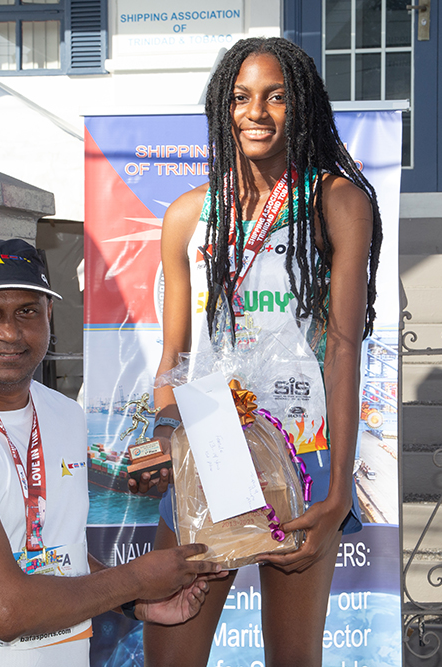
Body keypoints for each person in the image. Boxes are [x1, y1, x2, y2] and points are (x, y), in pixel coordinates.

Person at [130, 37, 383, 666]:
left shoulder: (337, 202)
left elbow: (343, 352)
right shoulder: (188, 215)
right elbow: (174, 356)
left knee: (293, 657)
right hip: (207, 449)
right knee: (170, 657)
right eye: (241, 97)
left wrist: (339, 494)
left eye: (276, 97)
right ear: (224, 107)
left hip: (301, 451)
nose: (256, 112)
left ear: (302, 106)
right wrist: (162, 438)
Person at [0, 237, 222, 667]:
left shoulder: (64, 413)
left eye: (27, 312)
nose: (10, 332)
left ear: (49, 316)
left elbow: (60, 555)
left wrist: (133, 602)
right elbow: (6, 611)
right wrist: (135, 579)